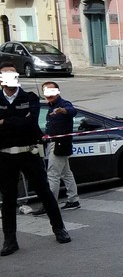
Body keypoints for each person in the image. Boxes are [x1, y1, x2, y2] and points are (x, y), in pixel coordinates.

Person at [0, 62, 71, 256]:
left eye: (13, 75)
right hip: (5, 155)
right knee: (8, 199)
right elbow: (21, 123)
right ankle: (10, 240)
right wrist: (18, 122)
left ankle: (59, 229)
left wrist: (5, 121)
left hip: (28, 152)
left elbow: (30, 123)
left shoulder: (29, 97)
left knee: (45, 193)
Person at [32, 81, 81, 213]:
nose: (49, 94)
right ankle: (73, 200)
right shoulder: (48, 106)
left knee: (53, 175)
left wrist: (62, 111)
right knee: (66, 173)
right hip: (53, 143)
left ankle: (50, 204)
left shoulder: (63, 104)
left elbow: (72, 111)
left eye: (51, 91)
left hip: (60, 144)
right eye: (46, 91)